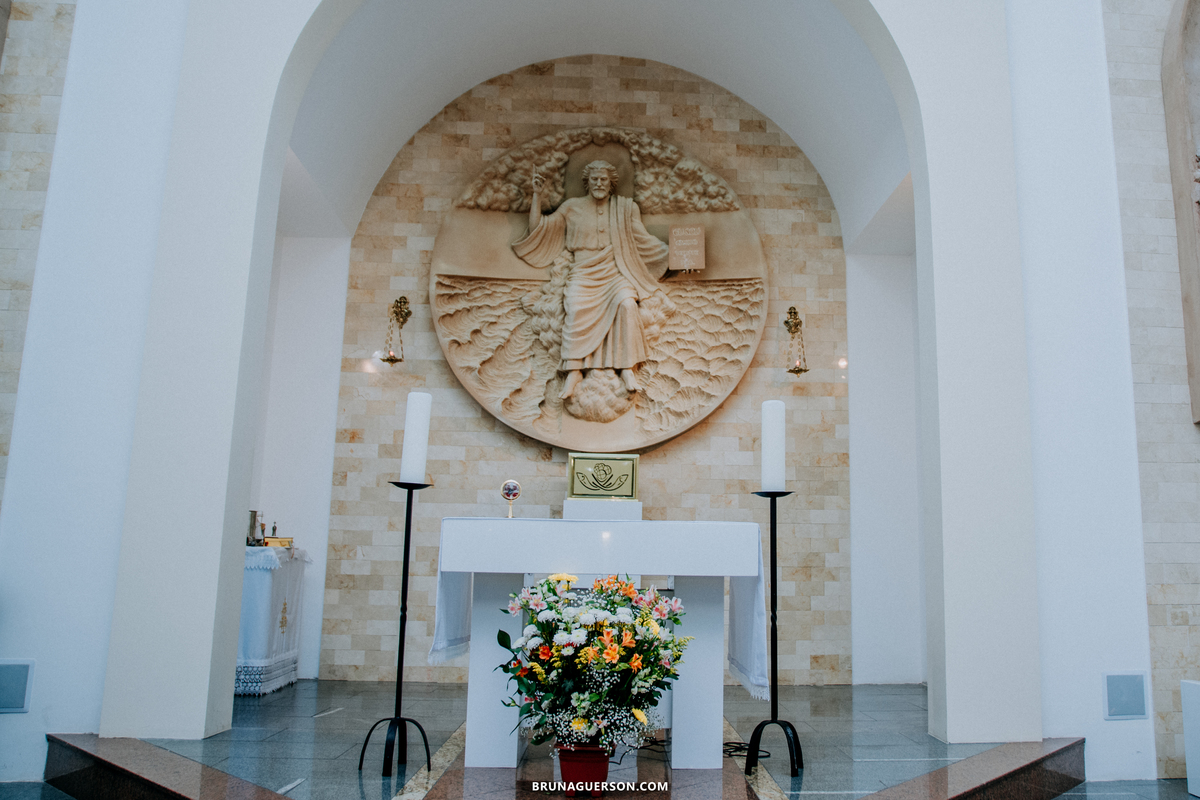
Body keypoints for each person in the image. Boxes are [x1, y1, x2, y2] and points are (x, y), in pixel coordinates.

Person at [513, 160, 669, 399]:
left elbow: (643, 240)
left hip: (616, 271)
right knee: (575, 308)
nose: (599, 183)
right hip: (583, 272)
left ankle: (627, 368)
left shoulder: (625, 208)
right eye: (594, 179)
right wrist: (537, 196)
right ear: (587, 182)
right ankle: (574, 370)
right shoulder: (571, 207)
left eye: (603, 179)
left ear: (611, 183)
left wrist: (675, 256)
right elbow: (539, 229)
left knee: (627, 305)